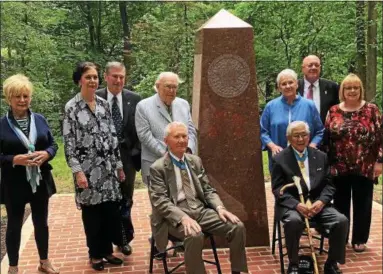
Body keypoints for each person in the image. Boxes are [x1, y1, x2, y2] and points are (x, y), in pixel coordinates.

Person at [149, 121, 248, 274]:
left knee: (237, 226)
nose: (182, 140)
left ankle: (237, 271)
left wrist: (220, 208)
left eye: (184, 136)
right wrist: (182, 217)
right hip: (173, 216)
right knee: (194, 235)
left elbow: (208, 189)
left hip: (199, 210)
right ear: (166, 141)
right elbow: (160, 202)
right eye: (177, 137)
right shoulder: (158, 168)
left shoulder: (195, 161)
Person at [63, 62, 125, 271]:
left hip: (108, 171)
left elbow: (113, 137)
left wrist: (119, 166)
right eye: (88, 77)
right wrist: (77, 171)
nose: (92, 81)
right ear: (79, 80)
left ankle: (107, 251)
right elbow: (69, 145)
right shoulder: (71, 107)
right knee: (92, 215)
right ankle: (95, 254)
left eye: (95, 77)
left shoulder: (104, 104)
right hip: (87, 172)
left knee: (109, 212)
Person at [0, 74, 59, 274]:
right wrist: (13, 160)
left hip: (39, 180)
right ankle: (13, 267)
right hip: (14, 182)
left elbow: (53, 144)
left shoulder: (40, 120)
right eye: (17, 96)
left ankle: (44, 261)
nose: (22, 100)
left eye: (25, 96)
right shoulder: (1, 125)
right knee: (14, 225)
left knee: (41, 223)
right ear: (9, 98)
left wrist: (46, 154)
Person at [272, 121, 348, 274]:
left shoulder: (321, 156)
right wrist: (296, 205)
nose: (300, 139)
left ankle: (332, 263)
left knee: (341, 221)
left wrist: (321, 202)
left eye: (304, 135)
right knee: (293, 221)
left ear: (309, 136)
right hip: (293, 206)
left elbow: (329, 185)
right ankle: (293, 263)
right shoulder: (279, 159)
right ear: (289, 137)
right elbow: (278, 189)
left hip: (317, 204)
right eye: (296, 135)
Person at [324, 73, 382, 253]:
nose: (352, 91)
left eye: (355, 87)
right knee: (340, 204)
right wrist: (326, 165)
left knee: (363, 203)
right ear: (342, 90)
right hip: (339, 167)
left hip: (365, 166)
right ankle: (342, 237)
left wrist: (380, 162)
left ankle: (359, 239)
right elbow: (327, 139)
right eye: (348, 87)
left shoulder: (372, 110)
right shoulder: (333, 111)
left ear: (360, 90)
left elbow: (381, 137)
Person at [96, 61, 141, 256]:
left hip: (128, 159)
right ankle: (105, 239)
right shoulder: (94, 97)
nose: (118, 80)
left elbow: (140, 128)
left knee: (126, 200)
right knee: (106, 200)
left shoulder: (134, 99)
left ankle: (123, 239)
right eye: (114, 76)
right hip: (102, 160)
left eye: (121, 76)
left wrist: (135, 152)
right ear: (106, 77)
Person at [135, 72, 197, 185]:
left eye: (175, 87)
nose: (172, 90)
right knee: (159, 201)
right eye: (168, 86)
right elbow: (144, 135)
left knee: (183, 200)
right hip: (155, 163)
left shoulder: (184, 104)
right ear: (157, 86)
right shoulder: (143, 106)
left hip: (182, 162)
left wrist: (187, 150)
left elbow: (191, 131)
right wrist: (167, 154)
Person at [260, 69, 324, 170]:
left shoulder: (309, 105)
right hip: (279, 159)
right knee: (281, 186)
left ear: (297, 84)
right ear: (279, 88)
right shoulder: (270, 106)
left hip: (305, 157)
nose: (288, 86)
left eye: (291, 82)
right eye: (283, 84)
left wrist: (312, 145)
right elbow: (263, 131)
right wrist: (272, 146)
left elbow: (320, 131)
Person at [298, 55, 339, 124]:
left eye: (316, 65)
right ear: (303, 68)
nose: (314, 67)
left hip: (324, 132)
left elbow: (337, 111)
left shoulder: (332, 87)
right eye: (310, 65)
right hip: (299, 132)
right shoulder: (294, 87)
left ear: (320, 68)